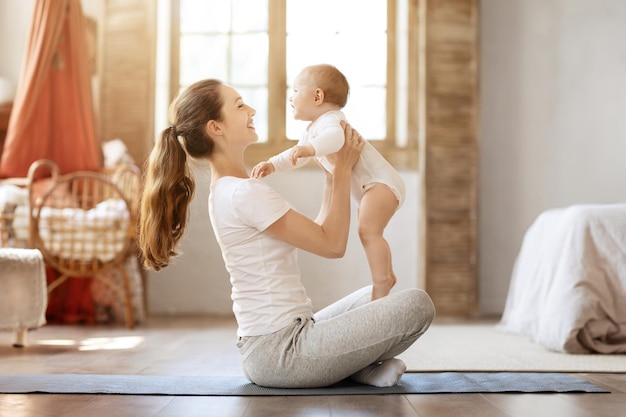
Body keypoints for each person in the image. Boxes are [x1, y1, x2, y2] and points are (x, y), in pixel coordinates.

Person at [138, 79, 435, 389]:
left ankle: (355, 368)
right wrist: (344, 169)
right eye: (240, 106)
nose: (251, 109)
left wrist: (333, 174)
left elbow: (320, 231)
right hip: (282, 353)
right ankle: (352, 365)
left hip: (284, 340)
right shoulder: (244, 193)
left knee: (373, 296)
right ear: (216, 127)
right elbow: (332, 244)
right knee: (418, 305)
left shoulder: (229, 190)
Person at [252, 64, 405, 300]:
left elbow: (334, 140)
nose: (290, 97)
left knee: (368, 231)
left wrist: (308, 148)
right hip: (371, 188)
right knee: (368, 231)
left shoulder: (331, 121)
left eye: (294, 91)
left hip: (381, 183)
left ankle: (382, 279)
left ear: (317, 96)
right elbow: (296, 156)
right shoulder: (312, 129)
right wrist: (273, 164)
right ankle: (384, 276)